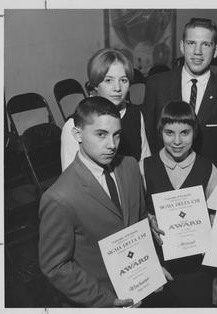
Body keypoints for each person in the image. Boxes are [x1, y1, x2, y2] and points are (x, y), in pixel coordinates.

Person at [39, 97, 149, 307]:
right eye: (101, 134)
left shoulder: (130, 166)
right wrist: (106, 300)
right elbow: (56, 267)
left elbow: (139, 220)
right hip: (102, 298)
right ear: (77, 135)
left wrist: (150, 269)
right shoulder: (59, 197)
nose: (111, 145)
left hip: (141, 286)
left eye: (116, 135)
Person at [140, 101, 217, 307]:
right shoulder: (145, 167)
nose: (177, 141)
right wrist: (148, 220)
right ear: (160, 132)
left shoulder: (207, 168)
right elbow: (136, 214)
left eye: (185, 133)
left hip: (197, 269)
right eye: (169, 133)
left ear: (195, 133)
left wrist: (211, 234)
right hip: (159, 265)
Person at [143, 18, 217, 168]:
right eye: (191, 43)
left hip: (207, 181)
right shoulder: (156, 85)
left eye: (206, 45)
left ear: (216, 50)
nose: (197, 52)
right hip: (163, 177)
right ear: (182, 46)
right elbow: (148, 137)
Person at [60, 48, 150, 171]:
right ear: (95, 84)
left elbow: (145, 164)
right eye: (109, 80)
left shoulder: (135, 115)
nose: (117, 88)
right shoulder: (74, 125)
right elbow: (71, 181)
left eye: (123, 80)